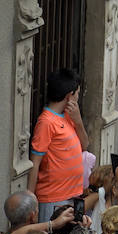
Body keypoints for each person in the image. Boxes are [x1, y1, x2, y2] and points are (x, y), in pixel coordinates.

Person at [28, 68, 89, 221]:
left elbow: (85, 145)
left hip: (72, 194)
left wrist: (78, 121)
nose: (78, 97)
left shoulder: (69, 116)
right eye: (77, 94)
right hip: (53, 198)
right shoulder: (46, 122)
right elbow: (35, 163)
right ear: (69, 96)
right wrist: (30, 202)